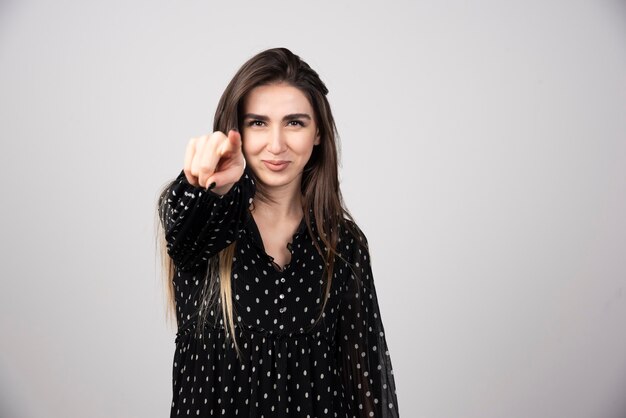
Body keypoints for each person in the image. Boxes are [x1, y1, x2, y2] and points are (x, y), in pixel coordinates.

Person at [156, 47, 399, 417]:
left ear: (317, 133)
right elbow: (183, 240)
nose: (276, 144)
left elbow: (363, 380)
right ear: (234, 131)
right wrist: (208, 187)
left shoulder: (343, 244)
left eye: (295, 123)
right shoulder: (204, 215)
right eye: (258, 123)